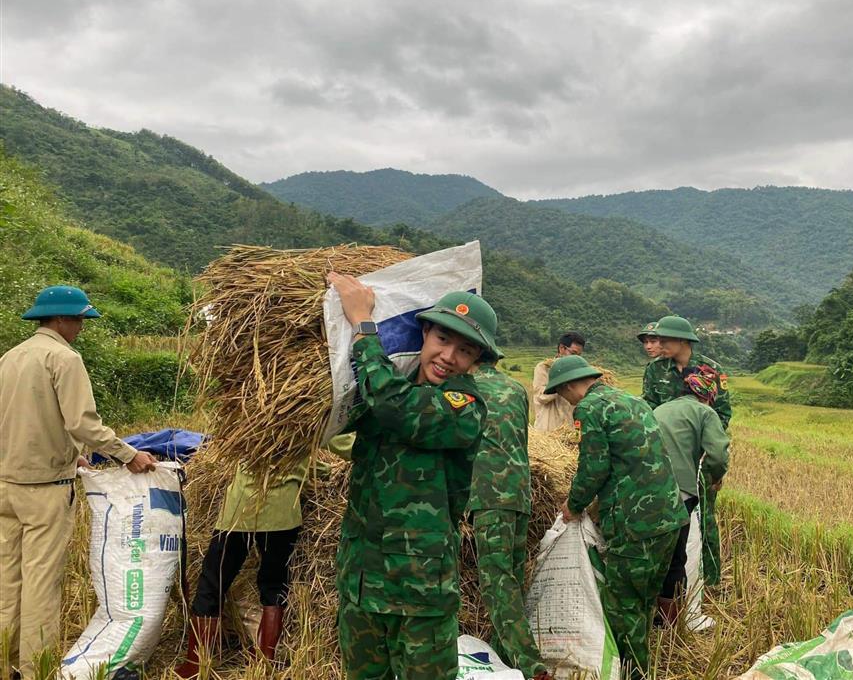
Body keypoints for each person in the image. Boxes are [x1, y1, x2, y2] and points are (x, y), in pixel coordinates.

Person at [327, 273, 497, 680]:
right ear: (423, 334)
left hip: (419, 592)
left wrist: (363, 325)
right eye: (442, 339)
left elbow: (395, 406)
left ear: (476, 361)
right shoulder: (387, 385)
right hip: (362, 580)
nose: (448, 356)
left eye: (465, 350)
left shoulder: (464, 406)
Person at [0, 286, 157, 680]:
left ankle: (6, 662)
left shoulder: (10, 358)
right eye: (80, 320)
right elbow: (82, 423)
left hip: (5, 485)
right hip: (45, 491)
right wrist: (129, 454)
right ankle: (35, 670)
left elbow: (23, 421)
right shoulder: (64, 358)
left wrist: (73, 454)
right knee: (40, 583)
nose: (82, 327)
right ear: (60, 320)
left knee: (6, 580)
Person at [547, 355, 688, 680]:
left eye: (562, 394)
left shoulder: (589, 409)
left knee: (622, 607)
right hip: (668, 518)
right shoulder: (630, 400)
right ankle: (641, 664)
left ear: (570, 386)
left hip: (635, 524)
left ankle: (634, 673)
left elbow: (594, 467)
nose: (565, 402)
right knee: (642, 601)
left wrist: (574, 504)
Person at [175, 436, 347, 677]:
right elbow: (344, 445)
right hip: (281, 513)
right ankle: (265, 663)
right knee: (273, 587)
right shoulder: (309, 409)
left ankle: (195, 665)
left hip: (239, 511)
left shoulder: (252, 408)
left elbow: (228, 443)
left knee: (212, 585)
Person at [468, 355, 550, 680]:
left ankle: (532, 667)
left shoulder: (464, 387)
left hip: (488, 493)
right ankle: (503, 655)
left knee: (496, 580)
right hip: (519, 490)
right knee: (512, 577)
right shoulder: (516, 389)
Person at [639, 315, 730, 586]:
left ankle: (710, 580)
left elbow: (722, 413)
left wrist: (707, 449)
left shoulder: (710, 370)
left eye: (664, 339)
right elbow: (648, 408)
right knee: (668, 516)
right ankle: (674, 581)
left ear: (682, 341)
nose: (659, 343)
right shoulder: (655, 370)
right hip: (664, 454)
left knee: (704, 515)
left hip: (700, 455)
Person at [652, 365, 730, 627]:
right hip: (679, 491)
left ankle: (644, 615)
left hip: (642, 489)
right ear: (708, 395)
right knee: (676, 557)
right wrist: (715, 477)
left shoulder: (660, 409)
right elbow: (718, 454)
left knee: (651, 552)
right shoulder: (705, 412)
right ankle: (669, 626)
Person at [531, 332, 585, 431]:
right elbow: (540, 396)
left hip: (569, 431)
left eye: (579, 356)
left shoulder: (578, 373)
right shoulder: (544, 368)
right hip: (547, 430)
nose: (575, 358)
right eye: (573, 353)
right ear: (562, 348)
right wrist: (562, 381)